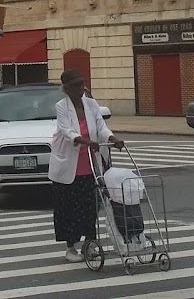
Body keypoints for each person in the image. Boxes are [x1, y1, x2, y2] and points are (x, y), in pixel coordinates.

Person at [48, 69, 124, 262]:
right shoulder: (61, 106)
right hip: (68, 166)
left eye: (82, 84)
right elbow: (66, 130)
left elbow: (101, 127)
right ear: (67, 89)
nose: (81, 88)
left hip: (90, 164)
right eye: (77, 86)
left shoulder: (91, 104)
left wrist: (112, 138)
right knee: (69, 208)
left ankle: (90, 243)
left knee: (90, 207)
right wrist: (83, 140)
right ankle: (70, 247)